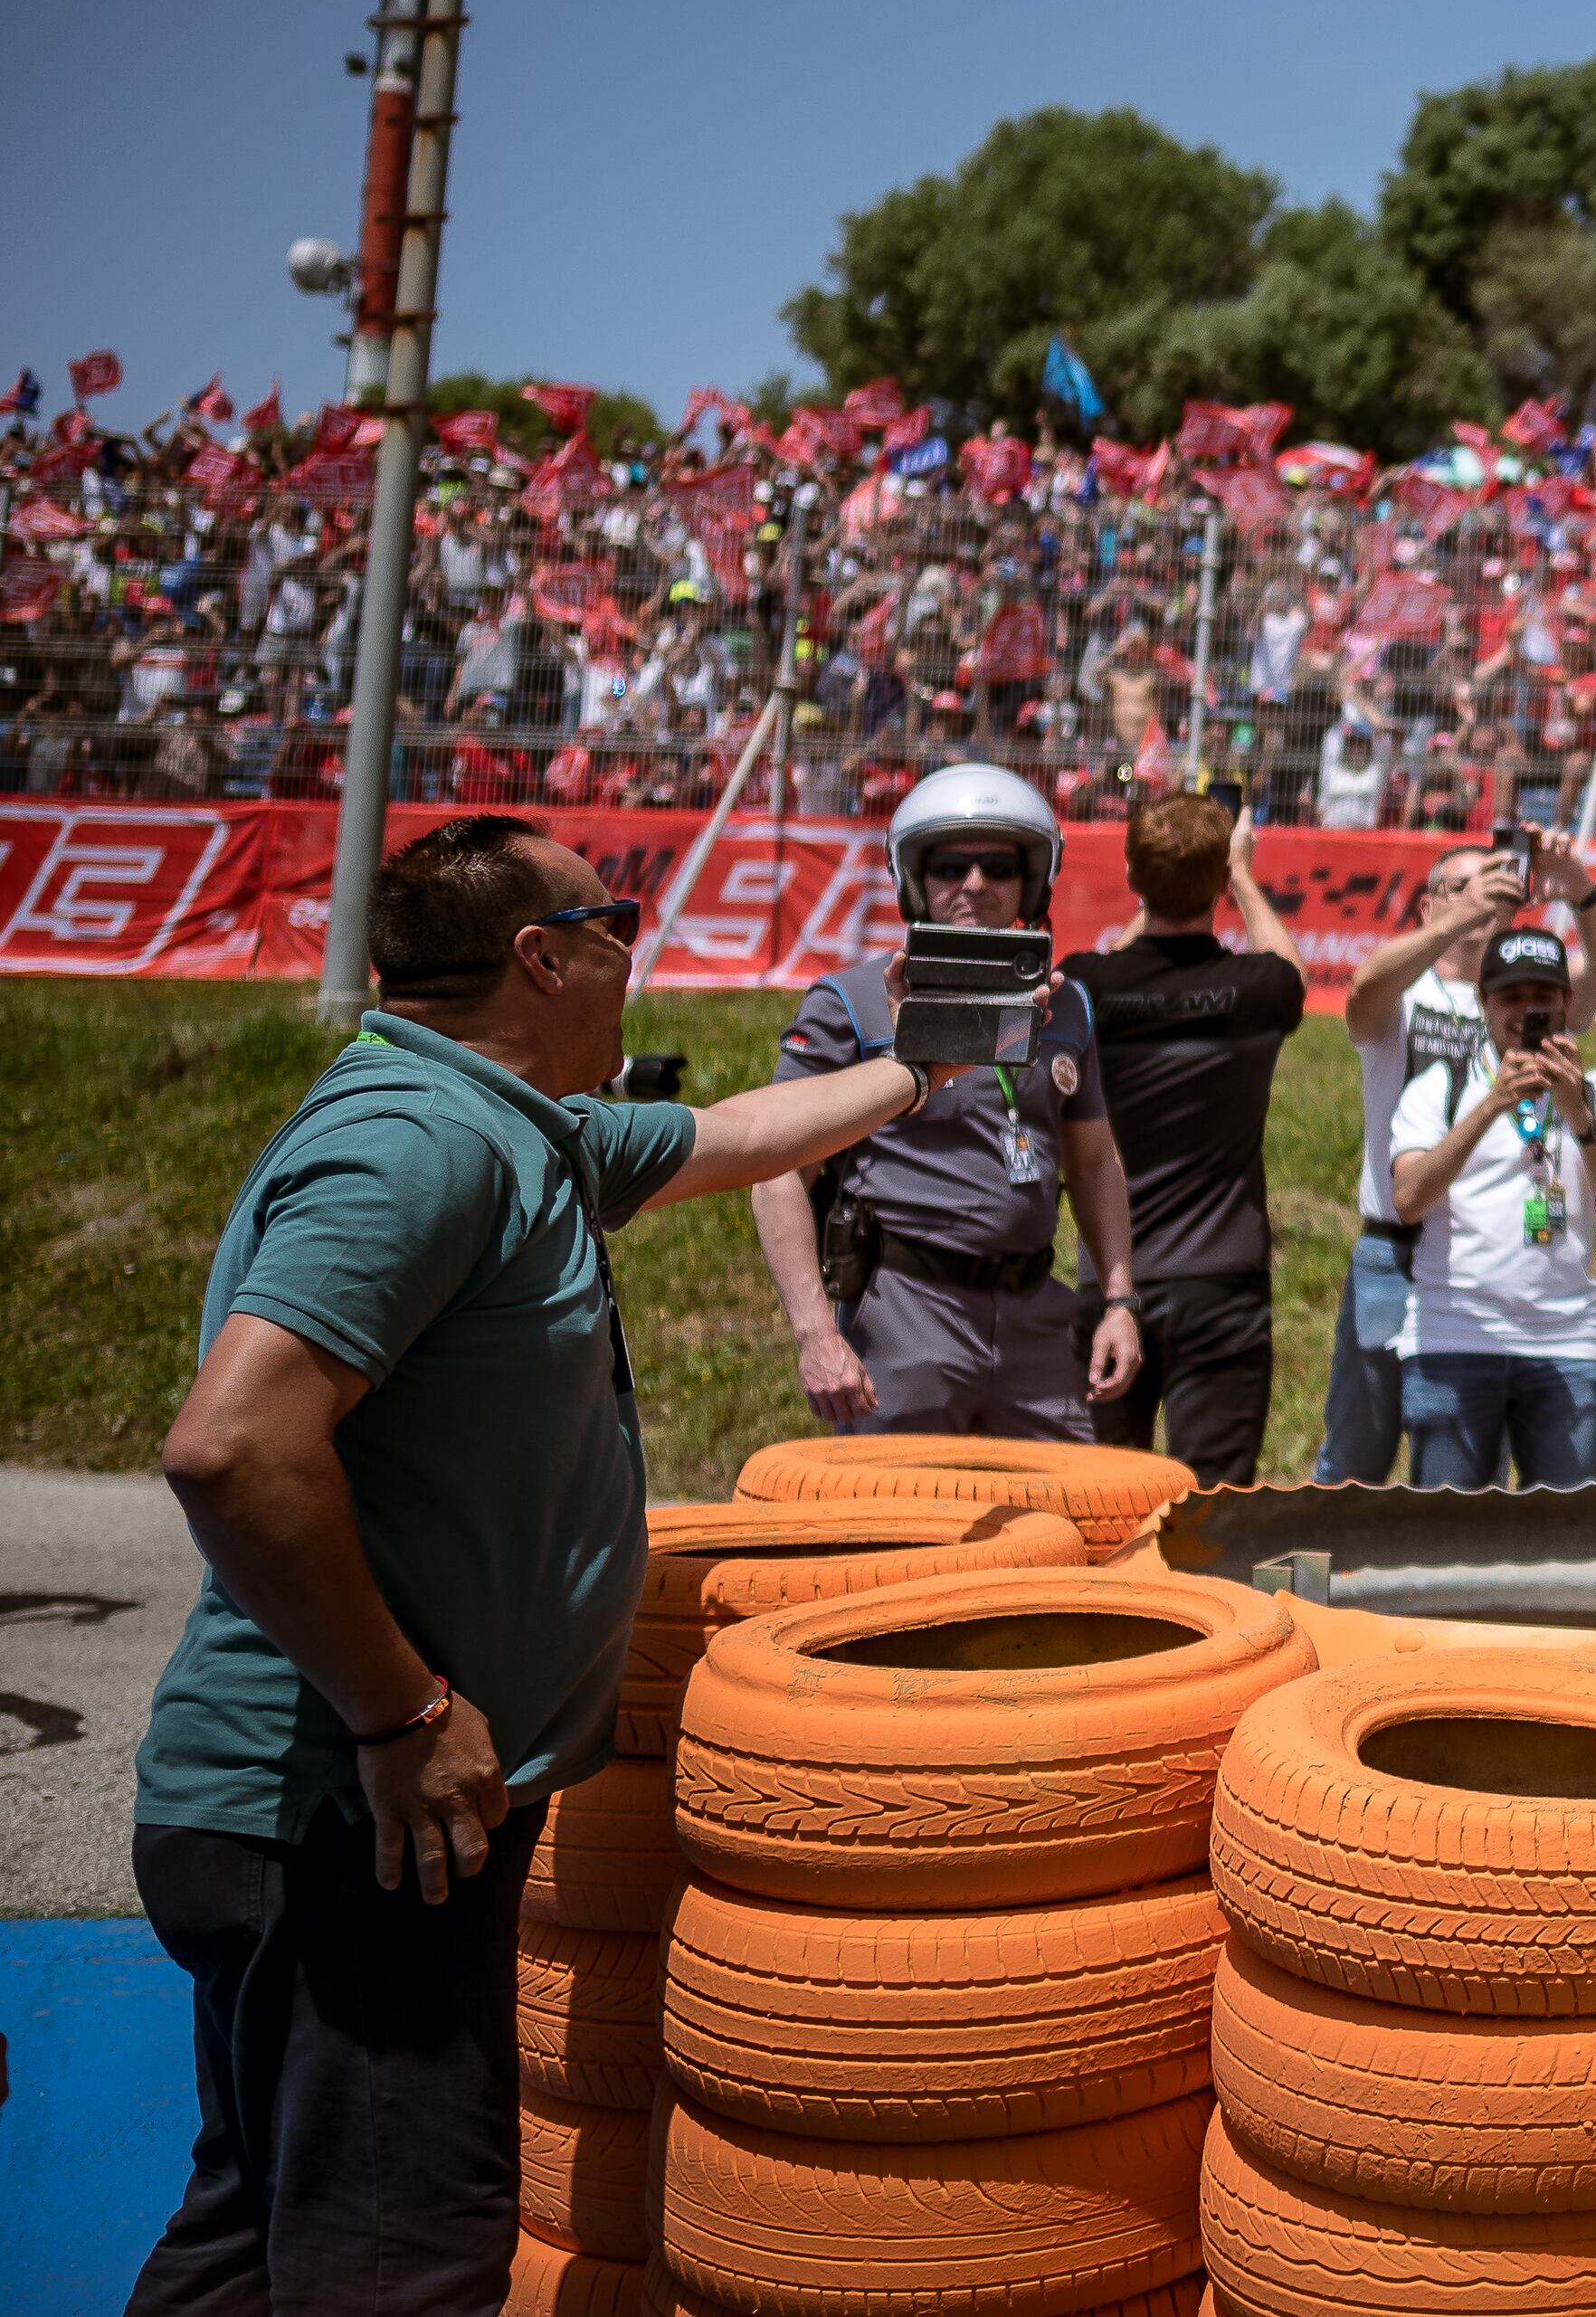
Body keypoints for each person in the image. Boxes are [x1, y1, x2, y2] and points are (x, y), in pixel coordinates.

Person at [129, 814, 973, 2312]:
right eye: (618, 916)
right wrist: (402, 1710)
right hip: (350, 1808)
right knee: (401, 2259)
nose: (633, 950)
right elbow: (234, 1444)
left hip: (344, 1815)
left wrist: (924, 1065)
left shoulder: (517, 1123)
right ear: (545, 952)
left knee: (253, 2240)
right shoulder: (421, 1142)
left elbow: (743, 1134)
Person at [749, 765, 1142, 1439]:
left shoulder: (1067, 1004)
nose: (976, 885)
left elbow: (1097, 1163)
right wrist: (815, 1334)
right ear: (914, 880)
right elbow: (778, 1168)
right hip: (904, 1312)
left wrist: (1119, 1298)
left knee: (1057, 1527)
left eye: (998, 866)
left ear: (1031, 880)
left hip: (1036, 1318)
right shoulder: (852, 1001)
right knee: (897, 1529)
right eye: (951, 866)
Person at [1324, 829, 1596, 1483]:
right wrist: (1465, 915)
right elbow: (1362, 991)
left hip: (1498, 1258)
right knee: (1360, 1456)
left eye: (1492, 880)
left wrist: (1579, 887)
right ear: (1429, 907)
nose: (1481, 894)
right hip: (1399, 1245)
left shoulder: (1523, 996)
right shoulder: (1410, 989)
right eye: (1459, 885)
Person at [1061, 793, 1307, 1485]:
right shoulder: (1257, 988)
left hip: (1110, 1277)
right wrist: (1244, 878)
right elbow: (1293, 971)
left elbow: (1120, 958)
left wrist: (1164, 878)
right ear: (1219, 882)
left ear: (1135, 878)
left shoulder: (1086, 985)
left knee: (1101, 1502)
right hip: (1221, 1283)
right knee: (1217, 1502)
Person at [1384, 926, 1596, 1487]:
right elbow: (1408, 1200)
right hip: (1454, 1339)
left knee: (1566, 1548)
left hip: (1565, 1345)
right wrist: (1489, 1105)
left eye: (1542, 998)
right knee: (1448, 1545)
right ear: (1484, 1003)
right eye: (1511, 998)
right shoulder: (1440, 1087)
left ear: (1566, 1003)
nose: (1527, 1012)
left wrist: (1579, 1116)